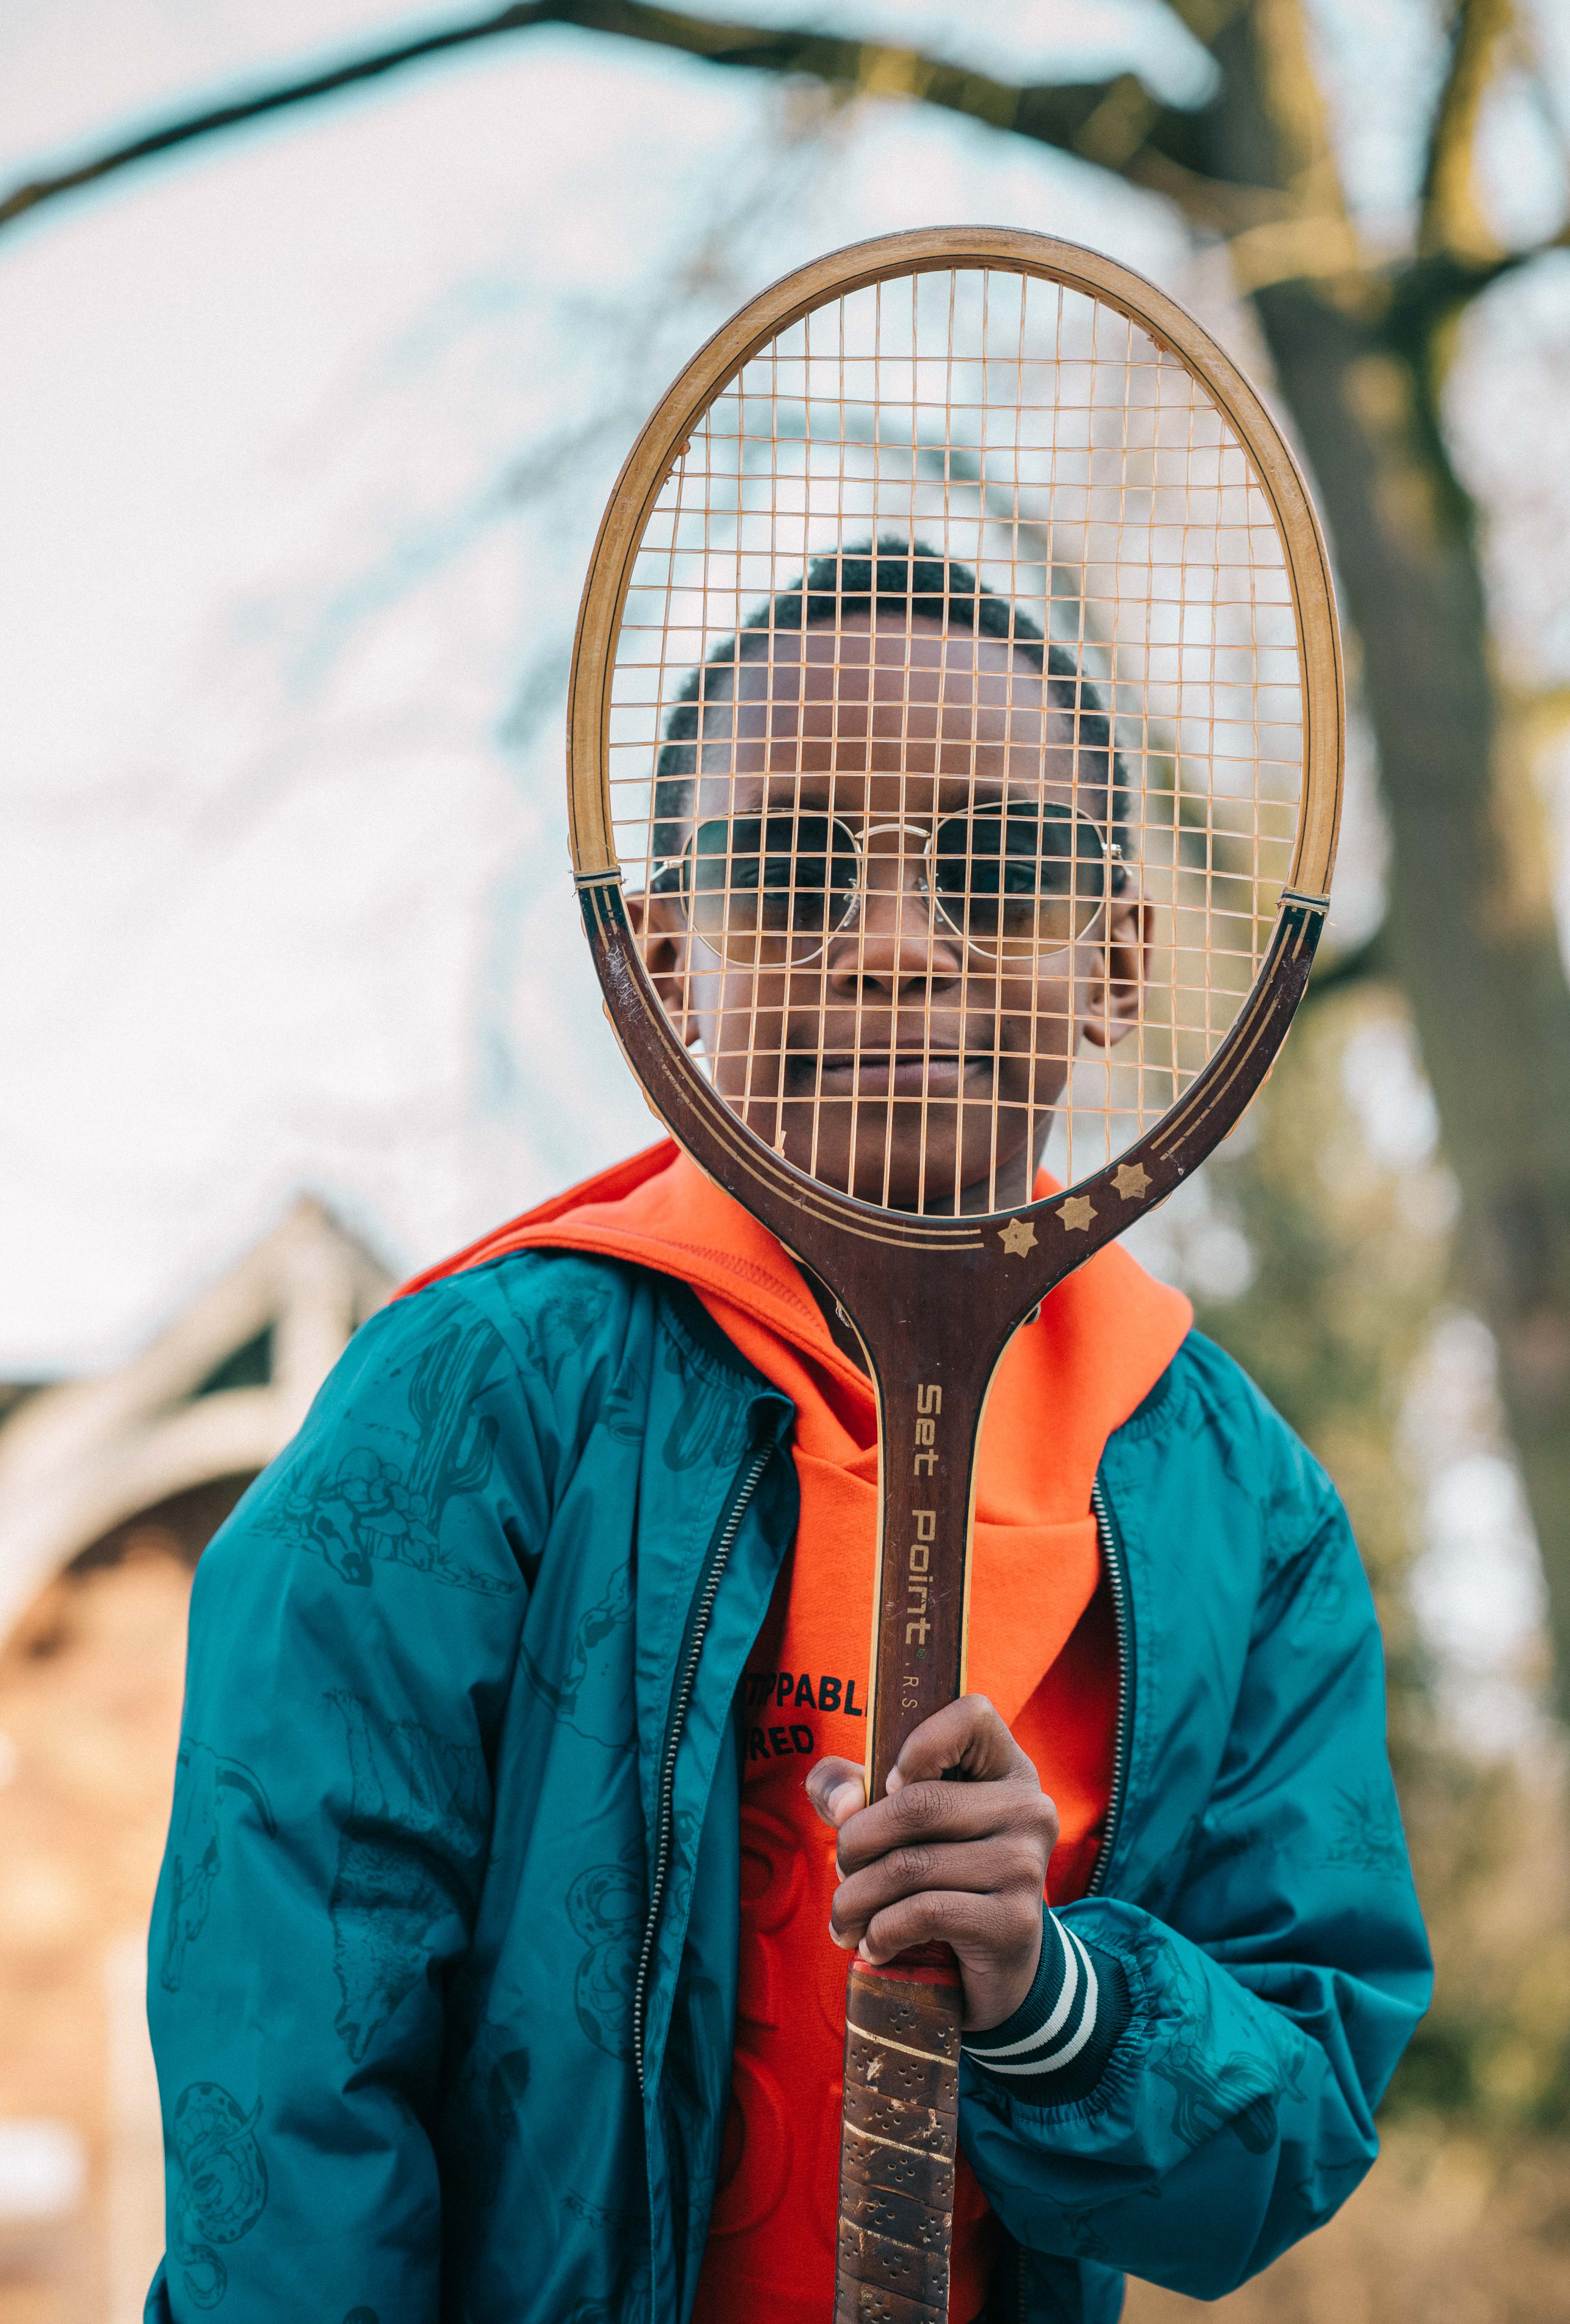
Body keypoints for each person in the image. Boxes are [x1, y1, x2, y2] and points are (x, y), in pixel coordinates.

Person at [145, 545, 1431, 2324]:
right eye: (787, 866)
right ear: (667, 957)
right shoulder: (465, 1406)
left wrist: (1042, 1986)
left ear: (1115, 960)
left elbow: (1289, 2117)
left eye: (994, 868)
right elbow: (284, 2078)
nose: (894, 942)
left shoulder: (1237, 1511)